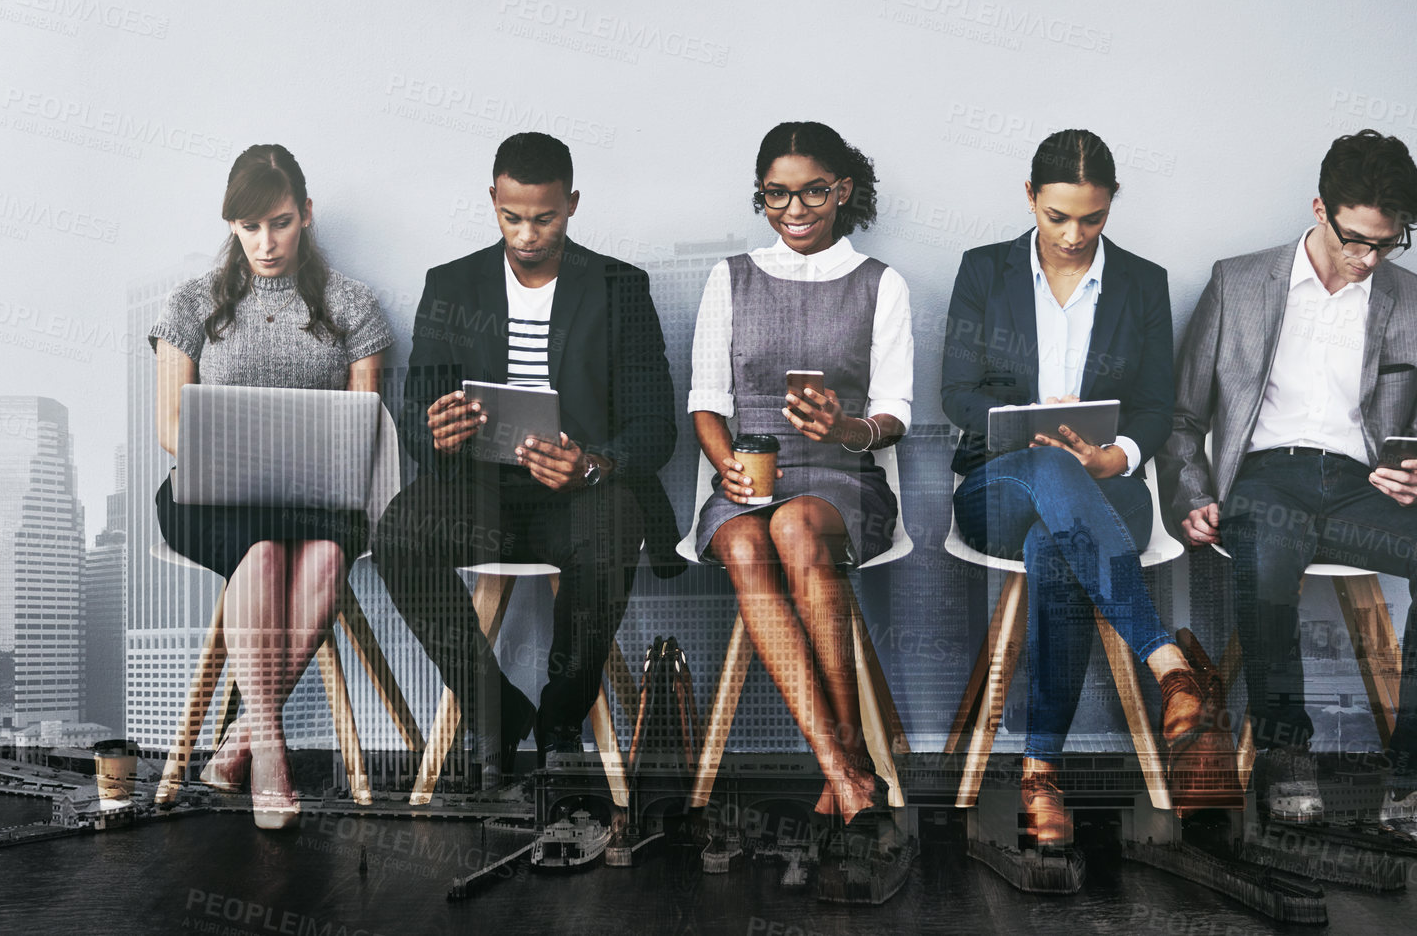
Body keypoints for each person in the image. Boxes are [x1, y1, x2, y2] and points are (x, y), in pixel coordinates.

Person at [1163, 129, 1417, 861]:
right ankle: (1286, 750)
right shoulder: (1237, 282)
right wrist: (1189, 493)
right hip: (1262, 475)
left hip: (1356, 485)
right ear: (1317, 208)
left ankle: (1416, 789)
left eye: (1385, 244)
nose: (1367, 258)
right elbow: (1183, 419)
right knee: (1269, 558)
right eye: (1353, 240)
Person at [941, 129, 1232, 850]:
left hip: (1105, 495)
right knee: (1047, 472)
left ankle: (1039, 775)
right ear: (1029, 200)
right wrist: (1026, 432)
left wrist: (1118, 454)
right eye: (1057, 217)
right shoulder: (982, 271)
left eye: (1092, 218)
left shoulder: (1142, 282)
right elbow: (953, 393)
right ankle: (1169, 666)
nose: (1074, 235)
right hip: (997, 485)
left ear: (1110, 206)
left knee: (1056, 548)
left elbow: (1157, 410)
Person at [375, 131, 682, 789]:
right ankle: (494, 711)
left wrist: (593, 464)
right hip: (477, 489)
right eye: (511, 217)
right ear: (493, 200)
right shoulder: (451, 284)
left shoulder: (619, 287)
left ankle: (561, 719)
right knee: (399, 535)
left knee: (607, 537)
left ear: (570, 204)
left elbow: (656, 428)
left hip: (582, 495)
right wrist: (436, 429)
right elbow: (414, 418)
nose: (526, 234)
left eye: (543, 218)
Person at [147, 145, 393, 828]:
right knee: (260, 553)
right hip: (214, 495)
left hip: (320, 496)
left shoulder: (352, 305)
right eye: (249, 226)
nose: (265, 242)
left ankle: (239, 742)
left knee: (320, 558)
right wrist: (240, 450)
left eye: (279, 223)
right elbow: (170, 425)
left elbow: (363, 422)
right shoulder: (192, 302)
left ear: (305, 215)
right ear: (230, 225)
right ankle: (271, 754)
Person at [687, 121, 907, 824]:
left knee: (794, 525)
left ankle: (846, 758)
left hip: (842, 478)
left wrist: (847, 429)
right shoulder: (730, 277)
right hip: (744, 479)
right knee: (750, 541)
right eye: (775, 195)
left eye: (812, 192)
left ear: (842, 190)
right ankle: (845, 767)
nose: (795, 210)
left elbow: (894, 412)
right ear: (762, 197)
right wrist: (727, 468)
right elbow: (705, 402)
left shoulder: (881, 284)